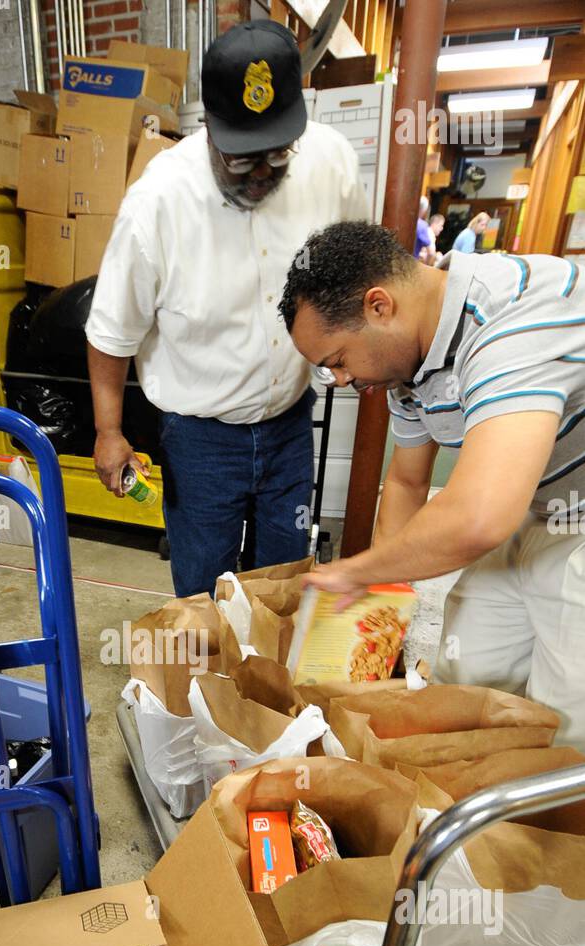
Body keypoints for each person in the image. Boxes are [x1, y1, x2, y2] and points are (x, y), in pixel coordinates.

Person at [85, 19, 367, 598]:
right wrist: (108, 432)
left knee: (281, 583)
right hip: (200, 440)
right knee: (203, 591)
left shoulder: (331, 164)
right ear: (209, 128)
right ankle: (205, 687)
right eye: (242, 159)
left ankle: (264, 686)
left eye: (277, 154)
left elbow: (359, 271)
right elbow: (111, 334)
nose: (263, 173)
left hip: (290, 420)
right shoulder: (158, 203)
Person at [278, 220, 585, 751]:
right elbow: (405, 481)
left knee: (565, 720)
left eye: (338, 362)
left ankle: (542, 826)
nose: (343, 381)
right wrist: (378, 599)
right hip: (540, 506)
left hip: (563, 516)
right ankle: (473, 796)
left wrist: (356, 572)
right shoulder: (406, 365)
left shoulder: (511, 317)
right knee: (470, 668)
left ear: (379, 306)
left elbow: (479, 517)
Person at [414, 196, 431, 260]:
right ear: (424, 210)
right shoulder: (422, 225)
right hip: (412, 263)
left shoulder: (402, 220)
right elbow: (431, 253)